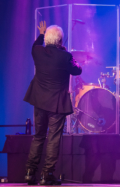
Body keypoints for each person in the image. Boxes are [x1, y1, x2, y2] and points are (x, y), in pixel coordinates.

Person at [24, 21, 82, 185]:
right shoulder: (65, 56)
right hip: (57, 104)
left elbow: (36, 44)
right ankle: (46, 174)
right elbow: (77, 70)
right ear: (59, 41)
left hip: (39, 101)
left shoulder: (37, 51)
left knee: (38, 137)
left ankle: (30, 172)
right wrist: (67, 53)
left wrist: (41, 33)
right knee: (53, 138)